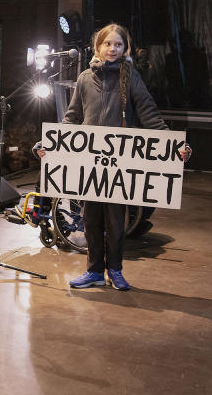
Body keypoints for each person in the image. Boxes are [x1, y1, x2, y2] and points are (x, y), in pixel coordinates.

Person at [61, 24, 191, 290]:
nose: (113, 49)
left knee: (116, 221)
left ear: (125, 49)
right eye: (108, 44)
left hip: (119, 164)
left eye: (118, 45)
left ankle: (115, 270)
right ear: (99, 47)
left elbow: (150, 115)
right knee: (90, 220)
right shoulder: (85, 78)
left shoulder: (130, 78)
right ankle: (94, 271)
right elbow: (71, 118)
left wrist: (173, 145)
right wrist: (50, 144)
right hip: (90, 162)